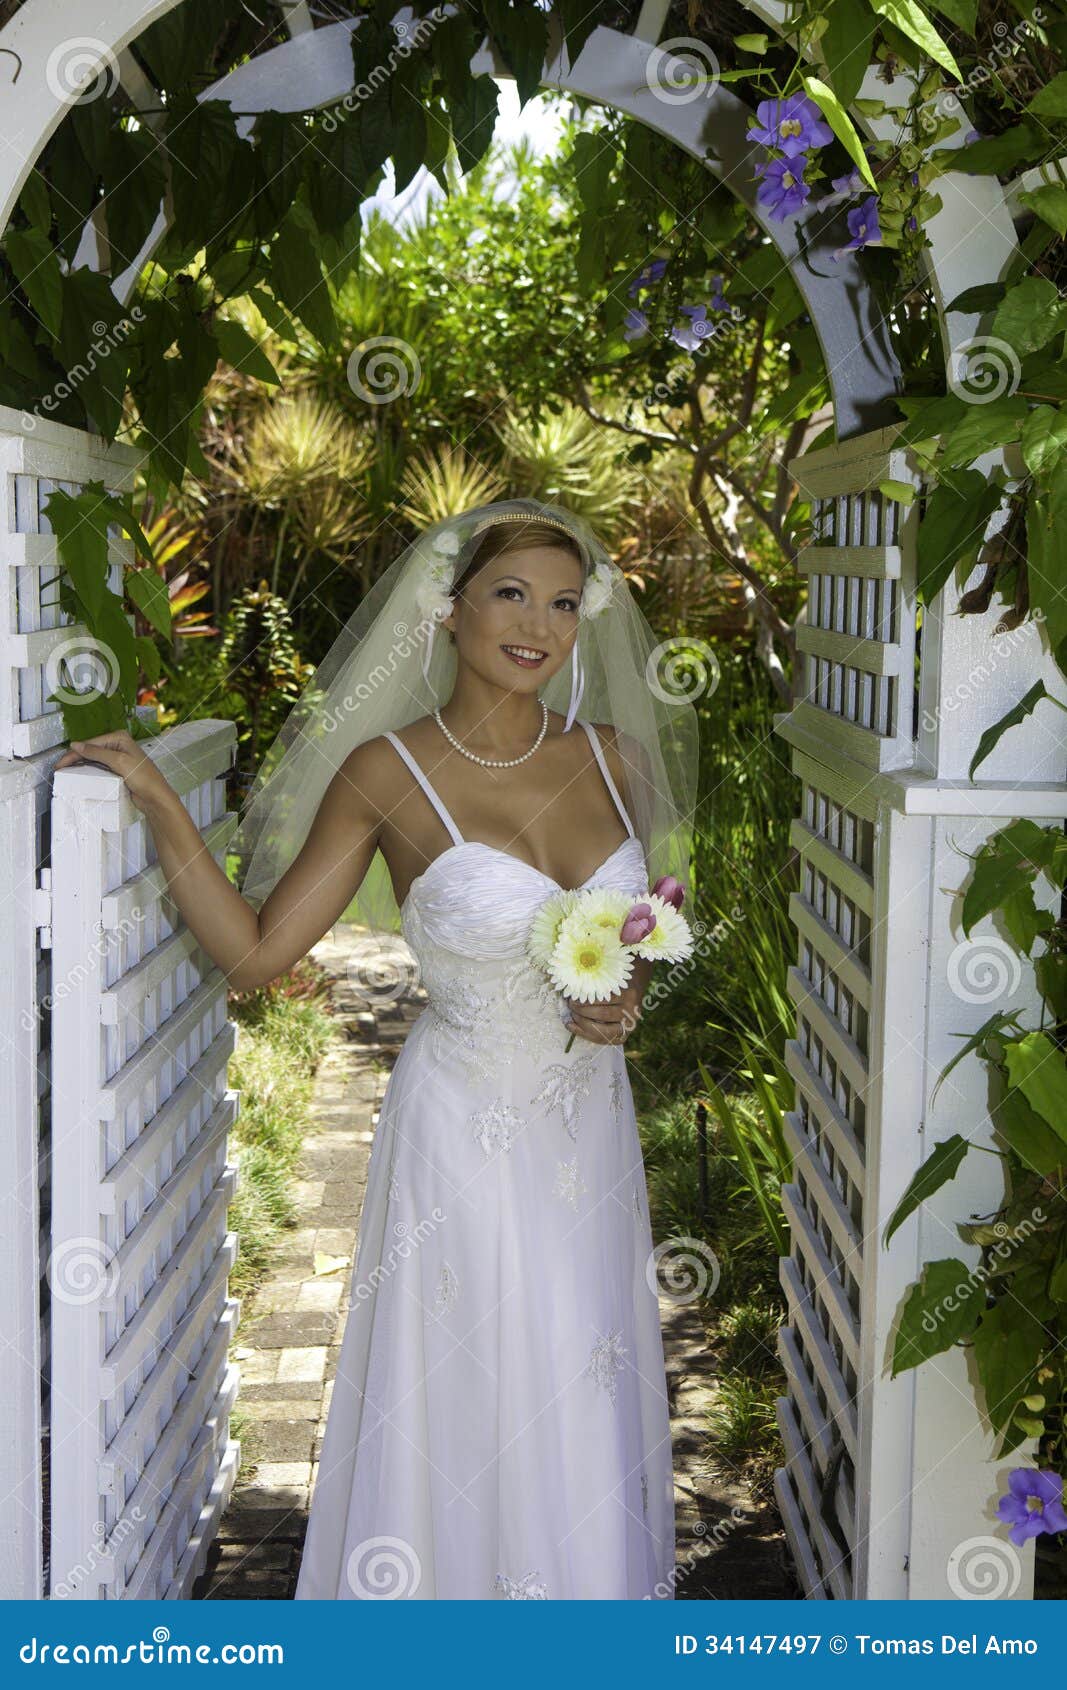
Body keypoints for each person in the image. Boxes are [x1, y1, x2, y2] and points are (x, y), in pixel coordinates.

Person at [56, 498, 699, 1599]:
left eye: (561, 600)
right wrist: (161, 802)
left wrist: (620, 994)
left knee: (576, 1363)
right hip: (460, 1127)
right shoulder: (386, 771)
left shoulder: (617, 760)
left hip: (586, 1125)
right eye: (509, 594)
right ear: (448, 612)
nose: (537, 623)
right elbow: (257, 957)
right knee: (473, 1375)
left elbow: (641, 929)